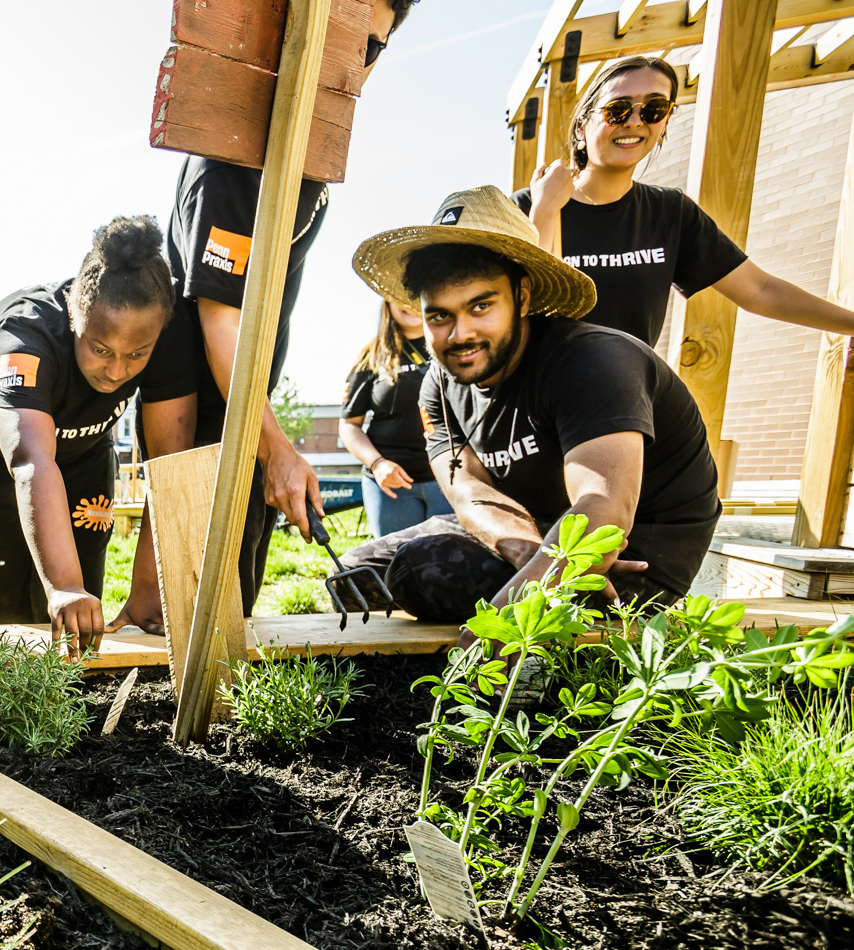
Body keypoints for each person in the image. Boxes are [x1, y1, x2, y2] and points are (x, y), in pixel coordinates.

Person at [113, 0, 423, 632]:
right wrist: (278, 449)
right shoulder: (233, 162)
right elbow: (221, 325)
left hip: (242, 407)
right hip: (203, 419)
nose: (355, 65)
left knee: (234, 604)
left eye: (371, 49)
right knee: (194, 618)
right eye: (341, 41)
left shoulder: (308, 155)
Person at [339, 187, 719, 626]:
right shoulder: (439, 385)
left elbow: (605, 511)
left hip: (636, 555)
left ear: (522, 295)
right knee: (355, 575)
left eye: (481, 305)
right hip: (532, 529)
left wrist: (510, 610)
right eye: (439, 315)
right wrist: (525, 551)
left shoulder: (593, 361)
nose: (459, 333)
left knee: (425, 571)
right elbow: (468, 490)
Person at [0, 217, 196, 652]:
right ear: (75, 313)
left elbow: (169, 466)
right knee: (2, 616)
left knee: (79, 619)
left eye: (136, 355)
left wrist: (150, 586)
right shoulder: (23, 337)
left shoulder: (169, 330)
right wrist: (65, 584)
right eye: (100, 349)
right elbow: (30, 460)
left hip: (83, 453)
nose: (116, 371)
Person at [520, 55, 854, 348]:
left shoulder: (670, 212)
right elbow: (523, 310)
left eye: (654, 109)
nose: (635, 121)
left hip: (624, 400)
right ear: (582, 126)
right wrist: (545, 211)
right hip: (539, 406)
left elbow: (759, 290)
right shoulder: (525, 207)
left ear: (663, 124)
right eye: (618, 109)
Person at [340, 298, 450, 536]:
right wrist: (378, 464)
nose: (407, 303)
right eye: (398, 296)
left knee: (452, 566)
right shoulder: (371, 356)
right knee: (397, 567)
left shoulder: (451, 345)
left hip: (450, 481)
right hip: (391, 487)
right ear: (387, 304)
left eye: (413, 296)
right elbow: (349, 425)